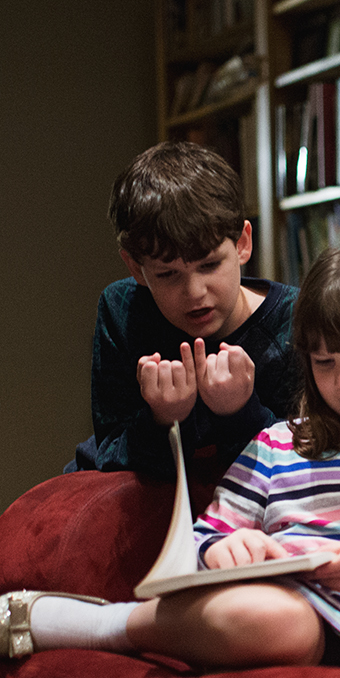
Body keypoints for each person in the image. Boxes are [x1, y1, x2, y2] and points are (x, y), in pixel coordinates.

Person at [0, 243, 340, 672]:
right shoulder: (276, 445)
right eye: (325, 362)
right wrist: (224, 551)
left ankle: (112, 627)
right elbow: (202, 544)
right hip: (278, 614)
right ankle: (105, 625)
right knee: (281, 621)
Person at [69, 142, 299, 487]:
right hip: (133, 500)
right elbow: (109, 449)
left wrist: (239, 411)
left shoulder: (295, 321)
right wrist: (163, 419)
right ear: (135, 267)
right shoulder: (123, 310)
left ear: (242, 244)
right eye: (167, 274)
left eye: (209, 265)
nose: (195, 293)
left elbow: (306, 473)